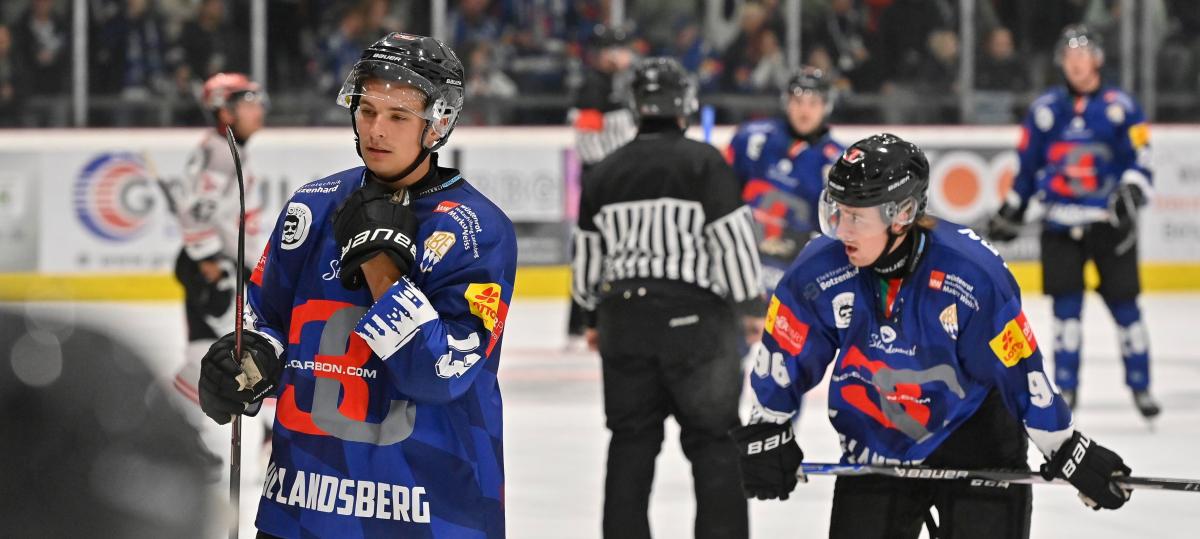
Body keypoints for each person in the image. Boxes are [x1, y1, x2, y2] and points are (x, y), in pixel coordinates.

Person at [733, 133, 1134, 538]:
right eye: (837, 211)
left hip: (976, 439)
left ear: (902, 212)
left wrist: (1065, 447)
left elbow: (1020, 369)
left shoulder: (971, 276)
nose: (841, 229)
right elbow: (784, 350)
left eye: (856, 217)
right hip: (876, 439)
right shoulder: (818, 270)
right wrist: (768, 425)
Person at [196, 32, 516, 538]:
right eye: (367, 110)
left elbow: (442, 374)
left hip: (428, 513)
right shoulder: (315, 203)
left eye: (397, 116)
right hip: (302, 507)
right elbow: (269, 321)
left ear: (438, 124)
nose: (376, 130)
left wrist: (382, 271)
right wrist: (247, 360)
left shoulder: (476, 230)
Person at [572, 57, 765, 539]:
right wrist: (750, 308)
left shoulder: (603, 173)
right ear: (686, 105)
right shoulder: (704, 162)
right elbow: (734, 240)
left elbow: (587, 264)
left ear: (634, 108)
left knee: (631, 444)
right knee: (715, 443)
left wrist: (593, 317)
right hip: (696, 324)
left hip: (624, 321)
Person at [986, 25, 1159, 418]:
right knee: (1066, 313)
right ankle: (1066, 388)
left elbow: (1142, 158)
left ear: (1097, 60)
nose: (1076, 64)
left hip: (1109, 227)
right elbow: (1027, 171)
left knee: (1126, 309)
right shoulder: (1045, 110)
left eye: (1083, 56)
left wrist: (1130, 192)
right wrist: (1011, 209)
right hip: (1059, 226)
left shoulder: (1122, 106)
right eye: (1069, 57)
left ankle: (1141, 385)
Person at [164, 70, 268, 536]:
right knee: (218, 357)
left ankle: (179, 433)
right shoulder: (221, 155)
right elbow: (196, 213)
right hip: (218, 272)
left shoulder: (224, 149)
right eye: (249, 100)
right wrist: (212, 263)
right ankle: (171, 432)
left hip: (218, 268)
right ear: (225, 110)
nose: (258, 107)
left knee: (211, 355)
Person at [725, 66, 845, 296]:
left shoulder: (837, 161)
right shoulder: (752, 137)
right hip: (744, 260)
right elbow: (723, 195)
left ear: (826, 106)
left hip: (794, 270)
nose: (804, 110)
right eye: (798, 101)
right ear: (786, 102)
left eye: (813, 103)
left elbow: (837, 234)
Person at [565, 24, 638, 346]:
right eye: (616, 49)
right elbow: (587, 141)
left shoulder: (619, 85)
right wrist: (607, 175)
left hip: (616, 179)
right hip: (601, 182)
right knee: (591, 251)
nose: (623, 55)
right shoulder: (593, 87)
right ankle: (578, 324)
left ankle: (596, 321)